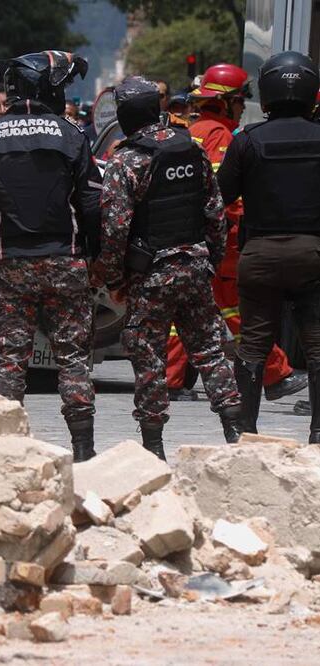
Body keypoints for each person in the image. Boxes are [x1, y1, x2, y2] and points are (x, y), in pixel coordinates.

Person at [0, 50, 102, 462]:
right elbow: (92, 203)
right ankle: (84, 449)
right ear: (46, 89)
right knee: (73, 357)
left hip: (11, 262)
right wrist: (96, 254)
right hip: (66, 260)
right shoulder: (71, 134)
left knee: (11, 359)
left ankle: (4, 450)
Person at [93, 77, 243, 459]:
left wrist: (114, 278)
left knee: (149, 358)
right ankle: (236, 432)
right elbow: (215, 212)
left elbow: (114, 229)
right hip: (195, 267)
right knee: (210, 351)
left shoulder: (125, 160)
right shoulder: (190, 148)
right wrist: (209, 260)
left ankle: (154, 447)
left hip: (151, 275)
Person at [170, 63, 308, 404]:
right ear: (226, 101)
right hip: (222, 240)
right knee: (237, 308)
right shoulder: (218, 134)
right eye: (239, 100)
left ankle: (171, 379)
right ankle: (275, 374)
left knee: (196, 309)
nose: (243, 107)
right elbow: (222, 195)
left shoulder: (193, 130)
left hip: (189, 236)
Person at [219, 52, 320, 441]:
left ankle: (246, 432)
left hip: (259, 255)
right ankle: (317, 435)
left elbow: (221, 197)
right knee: (316, 347)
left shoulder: (247, 140)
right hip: (313, 254)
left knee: (253, 347)